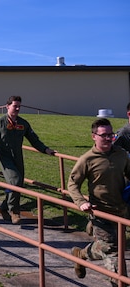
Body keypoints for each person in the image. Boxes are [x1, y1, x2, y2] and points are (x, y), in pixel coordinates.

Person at [68, 118, 130, 286]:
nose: (108, 138)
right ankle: (119, 282)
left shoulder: (121, 154)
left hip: (121, 210)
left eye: (111, 134)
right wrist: (81, 202)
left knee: (111, 246)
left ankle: (81, 254)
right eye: (104, 135)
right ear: (94, 136)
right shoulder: (87, 159)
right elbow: (73, 183)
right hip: (100, 212)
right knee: (113, 251)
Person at [0, 95, 56, 224]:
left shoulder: (23, 123)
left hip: (18, 157)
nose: (17, 109)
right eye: (15, 106)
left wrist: (46, 150)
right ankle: (14, 211)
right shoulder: (0, 121)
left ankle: (3, 208)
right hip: (5, 156)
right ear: (7, 106)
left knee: (17, 185)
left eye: (19, 106)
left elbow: (34, 140)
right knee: (15, 181)